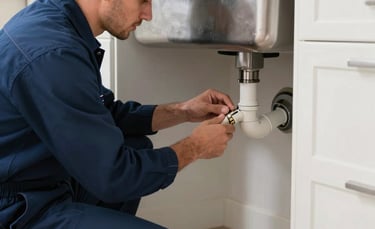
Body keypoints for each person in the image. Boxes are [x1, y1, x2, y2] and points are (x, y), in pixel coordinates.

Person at [0, 0, 236, 228]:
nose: (149, 14)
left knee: (136, 145)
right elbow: (114, 176)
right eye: (142, 1)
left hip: (43, 182)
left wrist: (183, 111)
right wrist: (195, 147)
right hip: (16, 208)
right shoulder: (54, 53)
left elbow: (105, 113)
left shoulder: (60, 24)